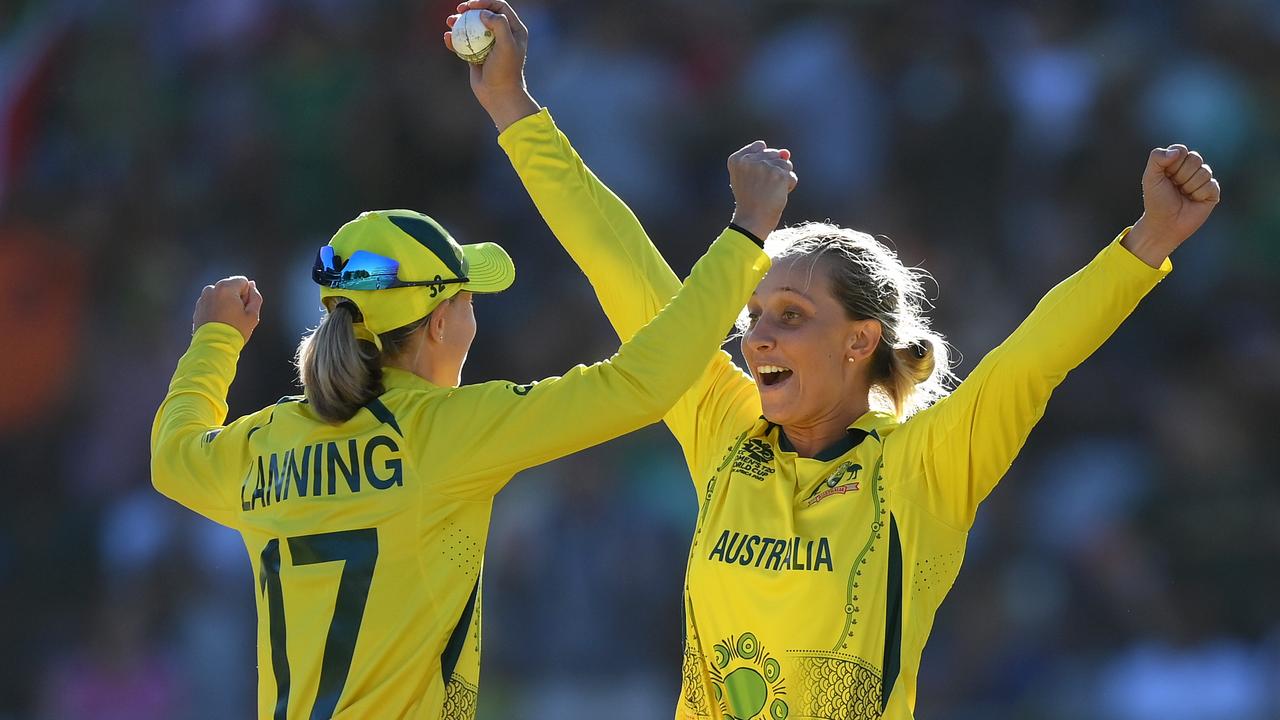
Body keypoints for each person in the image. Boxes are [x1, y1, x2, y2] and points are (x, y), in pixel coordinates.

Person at [448, 2, 1223, 718]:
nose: (756, 340)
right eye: (753, 318)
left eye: (790, 317)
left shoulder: (925, 466)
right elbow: (616, 260)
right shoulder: (720, 423)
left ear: (860, 341)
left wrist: (1149, 241)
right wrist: (513, 108)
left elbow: (1033, 360)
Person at [151, 146, 797, 718]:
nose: (472, 322)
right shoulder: (449, 431)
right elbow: (643, 383)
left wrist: (214, 342)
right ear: (438, 324)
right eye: (467, 302)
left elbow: (172, 458)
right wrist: (746, 234)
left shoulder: (266, 442)